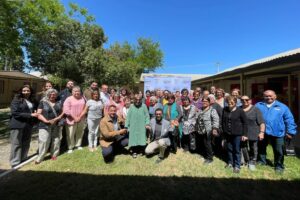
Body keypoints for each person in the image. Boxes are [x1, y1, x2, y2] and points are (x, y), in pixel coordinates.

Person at [256, 90, 297, 173]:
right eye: (266, 96)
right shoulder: (258, 105)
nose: (268, 97)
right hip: (262, 131)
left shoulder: (282, 107)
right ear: (263, 97)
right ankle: (261, 161)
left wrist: (290, 131)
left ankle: (279, 165)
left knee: (279, 150)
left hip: (278, 132)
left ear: (275, 96)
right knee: (261, 148)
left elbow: (289, 119)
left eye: (270, 96)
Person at [9, 85, 39, 168]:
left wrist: (34, 120)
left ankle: (23, 158)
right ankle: (15, 162)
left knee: (26, 142)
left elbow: (35, 111)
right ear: (21, 91)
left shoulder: (32, 100)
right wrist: (30, 115)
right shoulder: (16, 100)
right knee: (16, 143)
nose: (26, 92)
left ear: (30, 91)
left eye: (28, 90)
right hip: (17, 125)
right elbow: (15, 113)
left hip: (28, 124)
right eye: (24, 90)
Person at [35, 89, 64, 164]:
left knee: (56, 140)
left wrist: (57, 119)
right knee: (44, 141)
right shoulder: (43, 102)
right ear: (48, 94)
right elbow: (38, 114)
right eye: (51, 94)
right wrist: (46, 121)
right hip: (45, 125)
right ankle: (40, 157)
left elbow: (62, 113)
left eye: (54, 94)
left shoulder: (59, 102)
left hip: (56, 124)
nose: (53, 95)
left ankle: (54, 154)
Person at [222, 96, 248, 173]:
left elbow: (245, 123)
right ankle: (230, 163)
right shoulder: (225, 109)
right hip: (228, 133)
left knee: (237, 150)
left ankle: (237, 166)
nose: (230, 103)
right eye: (228, 101)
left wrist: (245, 134)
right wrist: (224, 133)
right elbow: (223, 121)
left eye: (232, 101)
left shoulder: (240, 111)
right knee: (229, 149)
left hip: (237, 134)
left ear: (235, 102)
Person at [241, 95, 265, 171]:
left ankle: (252, 162)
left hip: (253, 132)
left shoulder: (256, 109)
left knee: (253, 148)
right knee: (243, 147)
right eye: (242, 100)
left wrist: (261, 132)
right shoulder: (239, 109)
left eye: (246, 100)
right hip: (242, 132)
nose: (244, 101)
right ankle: (246, 160)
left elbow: (262, 122)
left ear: (250, 100)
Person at [125, 94, 150, 158]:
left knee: (141, 138)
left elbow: (147, 116)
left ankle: (141, 150)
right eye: (136, 99)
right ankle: (134, 151)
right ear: (134, 100)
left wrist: (147, 123)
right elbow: (128, 117)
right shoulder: (131, 106)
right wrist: (126, 126)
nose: (138, 101)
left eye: (139, 100)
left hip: (142, 125)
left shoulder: (144, 106)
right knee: (133, 138)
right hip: (133, 126)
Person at [196, 96, 219, 164]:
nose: (204, 103)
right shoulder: (201, 110)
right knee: (203, 143)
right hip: (201, 130)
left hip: (208, 130)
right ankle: (205, 155)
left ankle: (210, 158)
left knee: (208, 144)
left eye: (206, 101)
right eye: (203, 101)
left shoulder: (212, 110)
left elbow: (216, 120)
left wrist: (215, 129)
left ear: (209, 102)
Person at [63, 86, 86, 153]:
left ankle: (78, 145)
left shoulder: (83, 98)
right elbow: (66, 110)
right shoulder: (68, 99)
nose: (76, 92)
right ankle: (70, 147)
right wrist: (74, 117)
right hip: (71, 119)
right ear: (72, 92)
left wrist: (79, 117)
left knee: (80, 132)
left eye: (78, 91)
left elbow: (85, 108)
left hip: (81, 119)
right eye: (75, 91)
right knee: (70, 134)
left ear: (80, 92)